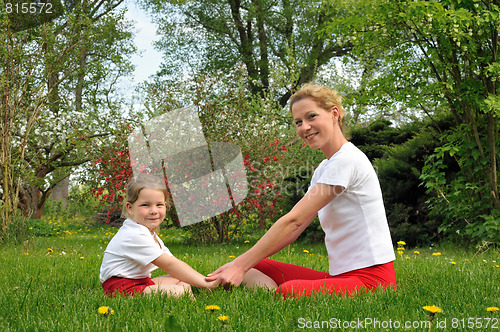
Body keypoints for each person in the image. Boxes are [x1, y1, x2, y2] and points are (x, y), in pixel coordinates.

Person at [207, 84, 396, 299]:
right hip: (342, 277)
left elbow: (293, 221)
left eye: (311, 116)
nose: (304, 127)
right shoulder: (325, 168)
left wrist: (240, 265)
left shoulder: (347, 159)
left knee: (286, 289)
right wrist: (240, 264)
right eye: (298, 122)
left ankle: (272, 295)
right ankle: (205, 283)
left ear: (334, 113)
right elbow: (297, 227)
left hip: (372, 281)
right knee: (257, 266)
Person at [99, 174, 218, 297]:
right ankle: (191, 303)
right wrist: (207, 284)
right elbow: (169, 265)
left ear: (165, 206)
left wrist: (204, 279)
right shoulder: (134, 234)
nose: (154, 210)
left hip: (141, 281)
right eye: (146, 205)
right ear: (130, 207)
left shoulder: (146, 231)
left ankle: (191, 293)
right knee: (179, 291)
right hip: (122, 288)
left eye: (159, 205)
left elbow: (173, 262)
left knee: (182, 280)